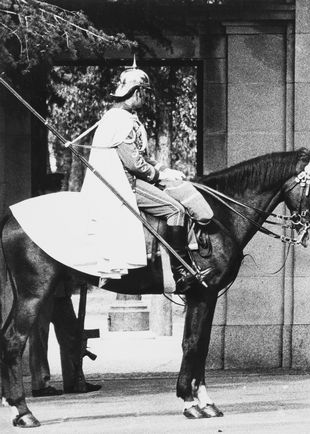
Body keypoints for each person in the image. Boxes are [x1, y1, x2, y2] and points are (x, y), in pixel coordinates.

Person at [82, 62, 213, 294]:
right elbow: (134, 163)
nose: (146, 99)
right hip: (124, 185)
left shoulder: (122, 116)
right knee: (176, 210)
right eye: (145, 94)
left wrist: (165, 169)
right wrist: (159, 174)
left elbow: (141, 156)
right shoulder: (121, 120)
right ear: (137, 92)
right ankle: (181, 272)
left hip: (131, 178)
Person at [28, 173, 101, 396]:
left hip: (60, 287)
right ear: (41, 192)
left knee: (71, 333)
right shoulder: (34, 216)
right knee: (39, 338)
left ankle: (74, 380)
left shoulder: (59, 216)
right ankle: (40, 384)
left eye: (57, 188)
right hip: (40, 288)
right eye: (51, 189)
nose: (55, 193)